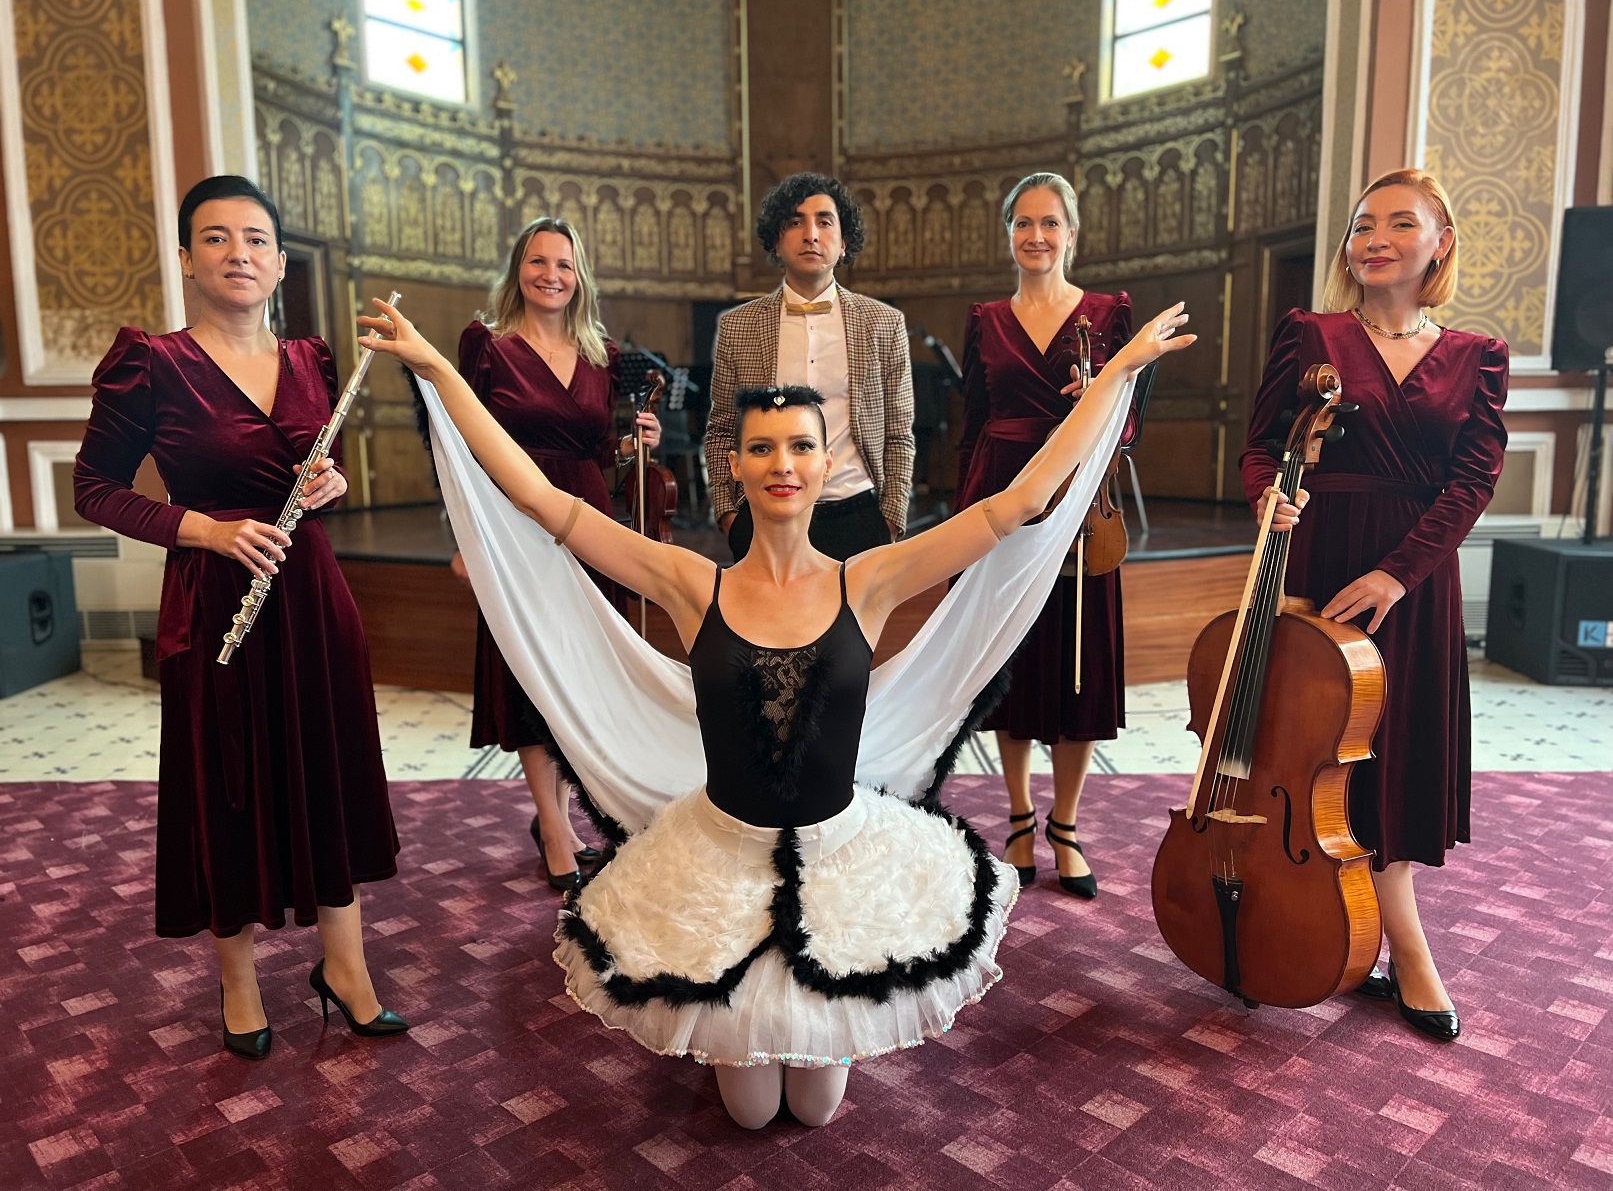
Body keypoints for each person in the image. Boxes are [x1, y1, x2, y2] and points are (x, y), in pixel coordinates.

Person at [358, 292, 1193, 1128]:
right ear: (736, 466)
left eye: (799, 446)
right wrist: (435, 372)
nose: (781, 463)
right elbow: (543, 500)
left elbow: (1017, 503)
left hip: (841, 857)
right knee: (752, 1112)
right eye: (761, 448)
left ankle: (807, 1027)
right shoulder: (692, 584)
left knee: (818, 1108)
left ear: (826, 464)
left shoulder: (868, 581)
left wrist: (1116, 375)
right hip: (721, 860)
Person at [73, 175, 408, 1060]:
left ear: (281, 262)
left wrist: (331, 483)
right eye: (216, 238)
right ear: (187, 259)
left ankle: (347, 969)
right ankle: (239, 983)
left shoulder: (313, 360)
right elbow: (93, 488)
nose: (239, 254)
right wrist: (205, 531)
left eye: (256, 239)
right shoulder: (151, 363)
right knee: (226, 782)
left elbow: (321, 469)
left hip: (311, 595)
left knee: (325, 772)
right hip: (214, 598)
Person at [1239, 167, 1507, 1041]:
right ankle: (1351, 932)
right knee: (1310, 749)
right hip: (1317, 559)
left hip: (1412, 582)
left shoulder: (1477, 355)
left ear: (1440, 242)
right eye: (1361, 225)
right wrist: (1266, 497)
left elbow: (1471, 482)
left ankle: (1401, 944)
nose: (1374, 239)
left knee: (1391, 751)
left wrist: (1397, 575)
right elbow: (1260, 447)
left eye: (1398, 223)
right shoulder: (1309, 334)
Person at [452, 216, 659, 891]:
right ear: (518, 270)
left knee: (579, 674)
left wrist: (631, 445)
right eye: (538, 262)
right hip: (518, 523)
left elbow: (596, 451)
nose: (551, 275)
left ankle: (562, 822)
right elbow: (458, 447)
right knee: (531, 675)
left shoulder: (601, 354)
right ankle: (551, 827)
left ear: (579, 277)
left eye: (564, 264)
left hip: (588, 521)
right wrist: (467, 537)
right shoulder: (487, 345)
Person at [954, 173, 1132, 898]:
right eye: (1023, 223)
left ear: (1072, 234)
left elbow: (1131, 419)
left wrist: (1100, 405)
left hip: (1081, 506)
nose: (1036, 236)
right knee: (1012, 667)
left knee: (1079, 670)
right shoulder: (985, 318)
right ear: (1008, 234)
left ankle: (1067, 824)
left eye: (1050, 223)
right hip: (1001, 495)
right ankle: (1020, 818)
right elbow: (972, 423)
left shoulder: (1108, 314)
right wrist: (965, 520)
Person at [705, 172, 914, 559]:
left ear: (844, 242)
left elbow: (899, 434)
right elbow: (720, 431)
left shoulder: (884, 324)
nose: (811, 235)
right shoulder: (738, 326)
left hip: (858, 514)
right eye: (795, 222)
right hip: (764, 514)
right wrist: (728, 515)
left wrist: (890, 517)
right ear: (776, 241)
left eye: (824, 221)